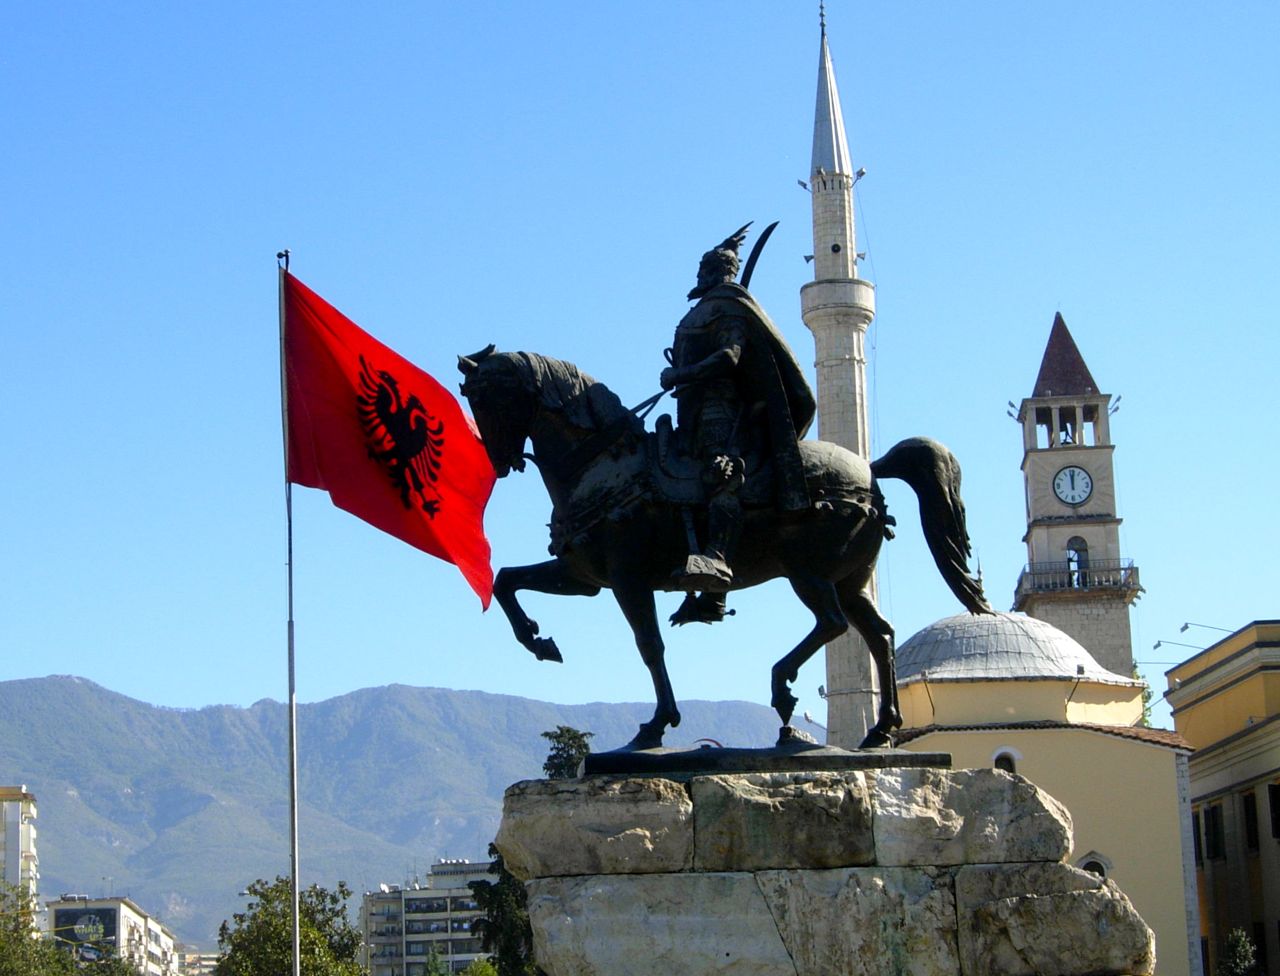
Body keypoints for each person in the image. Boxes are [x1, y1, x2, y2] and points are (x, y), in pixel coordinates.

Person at [659, 225, 815, 618]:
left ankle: (718, 563)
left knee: (718, 474)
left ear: (717, 272)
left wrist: (682, 375)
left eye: (704, 269)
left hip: (721, 410)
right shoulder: (706, 309)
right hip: (691, 410)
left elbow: (730, 356)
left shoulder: (730, 307)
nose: (698, 276)